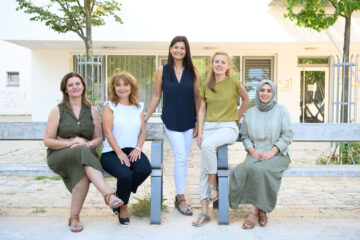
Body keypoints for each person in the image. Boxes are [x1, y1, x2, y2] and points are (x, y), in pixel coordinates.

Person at [44, 72, 123, 233]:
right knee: (82, 151)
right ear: (65, 89)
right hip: (60, 154)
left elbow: (98, 139)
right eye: (71, 85)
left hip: (84, 154)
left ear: (83, 87)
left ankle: (74, 218)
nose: (75, 87)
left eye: (78, 84)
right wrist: (70, 142)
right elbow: (48, 141)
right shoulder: (57, 110)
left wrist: (87, 144)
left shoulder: (92, 110)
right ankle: (108, 195)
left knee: (84, 171)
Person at [145, 36, 200, 216]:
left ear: (186, 51)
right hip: (170, 120)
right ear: (170, 49)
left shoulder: (193, 71)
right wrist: (146, 117)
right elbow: (156, 96)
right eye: (175, 47)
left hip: (189, 120)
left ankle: (179, 195)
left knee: (184, 159)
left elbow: (197, 97)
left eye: (182, 48)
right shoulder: (162, 70)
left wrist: (199, 122)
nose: (179, 51)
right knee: (181, 156)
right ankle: (181, 197)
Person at [192, 52, 249, 227]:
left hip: (228, 127)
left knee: (207, 146)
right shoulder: (206, 85)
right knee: (203, 166)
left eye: (222, 62)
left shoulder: (234, 82)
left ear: (227, 66)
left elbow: (246, 99)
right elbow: (201, 110)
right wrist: (200, 130)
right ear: (212, 64)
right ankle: (204, 212)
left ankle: (212, 183)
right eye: (216, 61)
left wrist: (237, 117)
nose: (219, 64)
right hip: (209, 127)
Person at [229, 80, 293, 229]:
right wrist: (251, 150)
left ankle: (253, 213)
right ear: (257, 92)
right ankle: (262, 210)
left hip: (278, 155)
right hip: (256, 153)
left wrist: (273, 151)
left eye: (269, 90)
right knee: (243, 170)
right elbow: (244, 135)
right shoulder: (250, 113)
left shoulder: (281, 111)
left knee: (260, 170)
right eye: (262, 90)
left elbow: (287, 134)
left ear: (273, 93)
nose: (265, 93)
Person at [101, 72, 152, 225]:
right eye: (118, 85)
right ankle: (123, 207)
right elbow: (107, 131)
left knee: (144, 169)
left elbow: (142, 131)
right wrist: (119, 153)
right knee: (125, 176)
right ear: (114, 88)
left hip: (132, 149)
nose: (122, 88)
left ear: (131, 87)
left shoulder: (138, 107)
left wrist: (138, 147)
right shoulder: (110, 106)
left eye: (125, 84)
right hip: (111, 152)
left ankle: (119, 195)